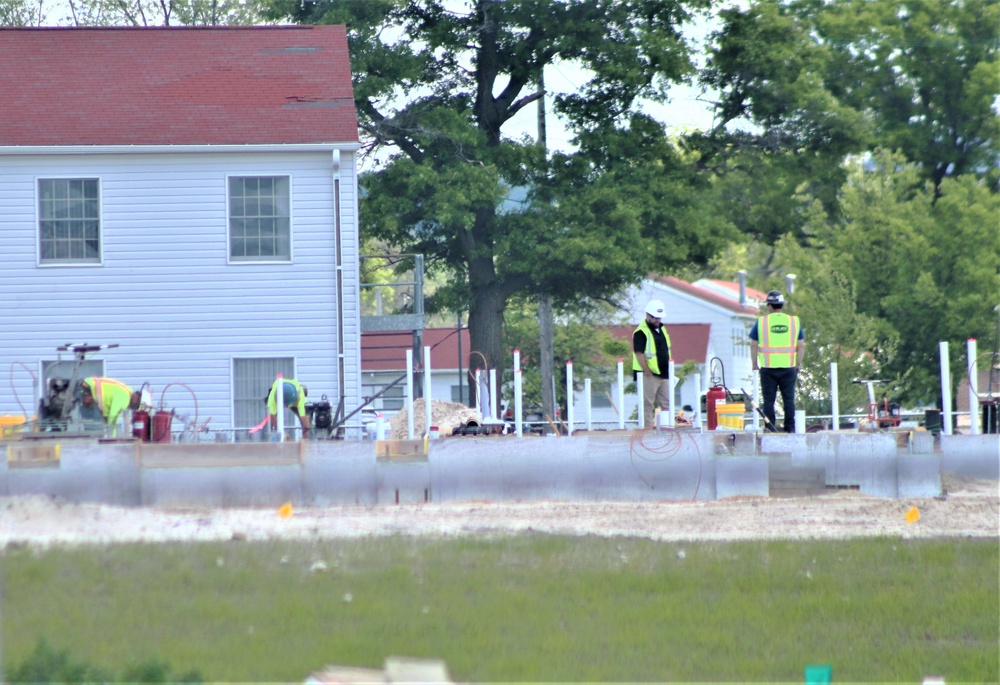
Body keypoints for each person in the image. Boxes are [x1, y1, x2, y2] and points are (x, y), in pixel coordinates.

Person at [749, 290, 805, 433]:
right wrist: (798, 363)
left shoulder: (762, 322)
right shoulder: (793, 321)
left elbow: (753, 344)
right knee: (789, 400)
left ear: (769, 305)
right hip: (789, 367)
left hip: (768, 368)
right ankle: (790, 428)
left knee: (769, 401)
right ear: (782, 305)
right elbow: (801, 345)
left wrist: (754, 363)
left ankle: (770, 428)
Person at [632, 299, 672, 429]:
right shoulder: (641, 332)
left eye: (659, 318)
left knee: (667, 404)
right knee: (647, 405)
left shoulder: (662, 329)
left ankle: (667, 429)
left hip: (664, 373)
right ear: (648, 315)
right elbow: (639, 353)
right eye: (655, 318)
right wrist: (646, 370)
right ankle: (647, 430)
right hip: (648, 374)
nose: (658, 320)